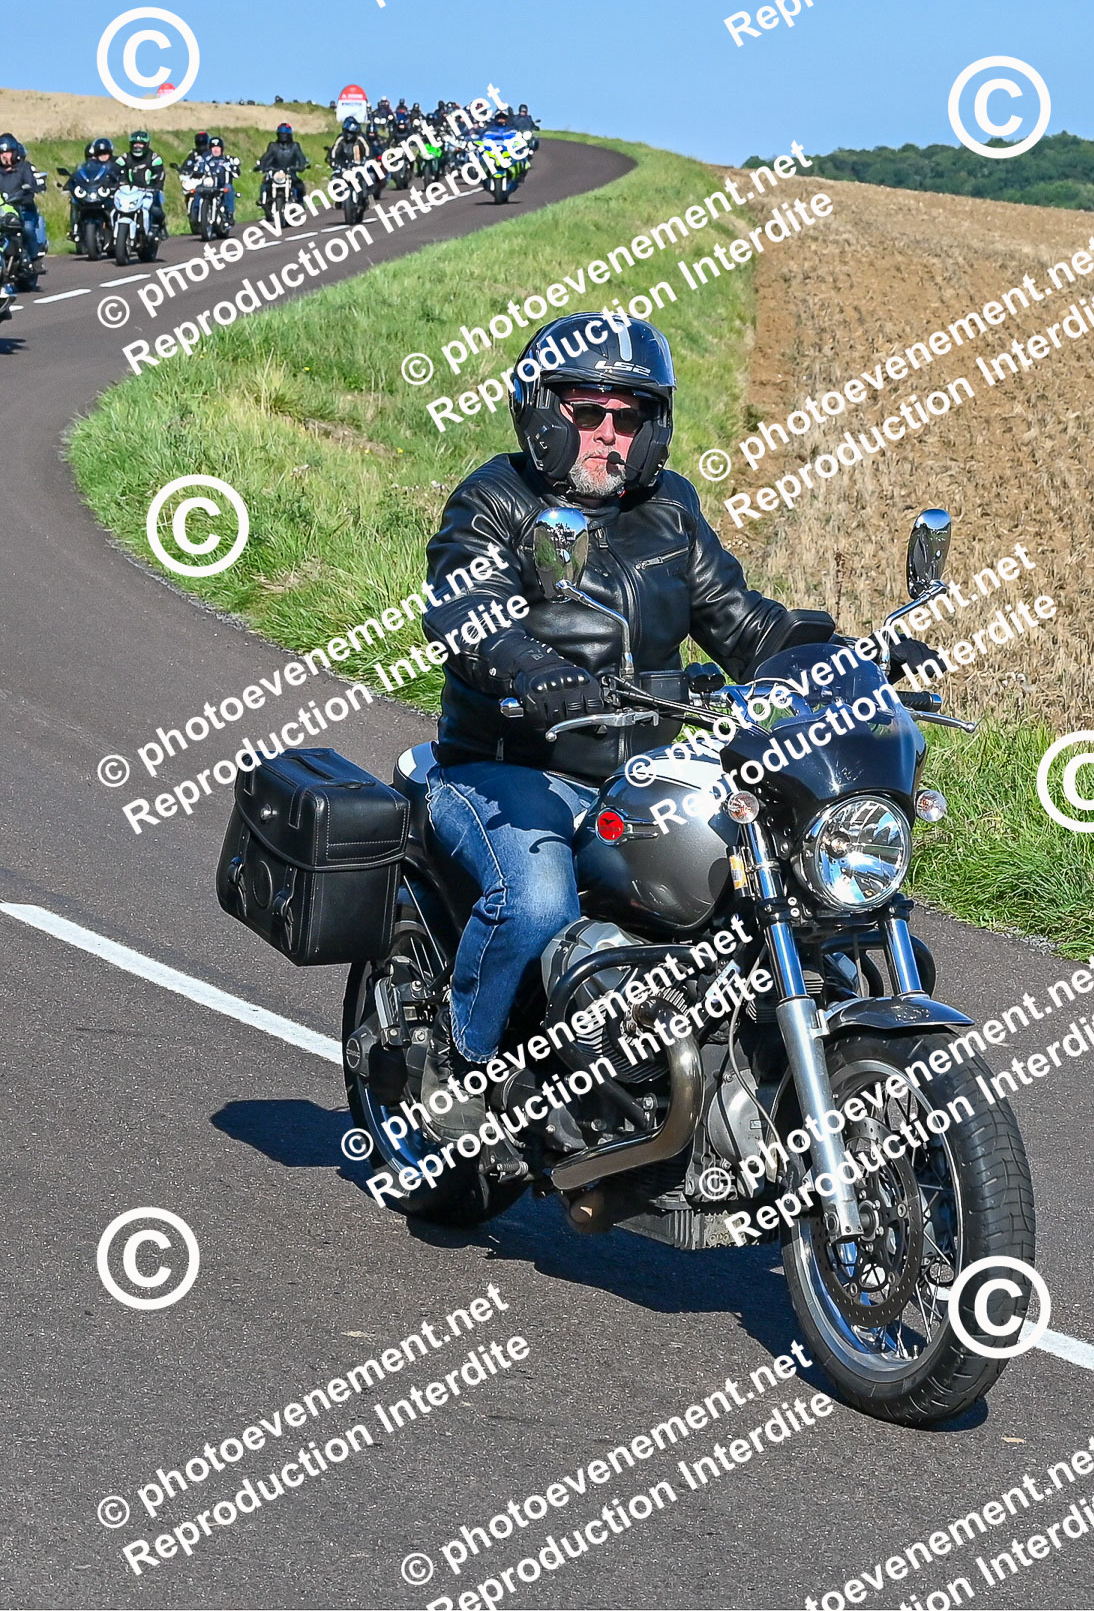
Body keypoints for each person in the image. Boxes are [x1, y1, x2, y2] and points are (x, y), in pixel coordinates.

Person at [414, 315, 938, 1131]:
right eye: (589, 413)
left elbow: (742, 624)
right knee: (538, 902)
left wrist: (853, 657)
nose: (609, 434)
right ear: (544, 413)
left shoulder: (670, 508)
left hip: (646, 775)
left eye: (628, 418)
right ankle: (467, 1071)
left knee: (779, 890)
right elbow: (464, 609)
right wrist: (528, 669)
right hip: (508, 769)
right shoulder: (494, 501)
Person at [0, 133, 47, 265]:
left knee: (27, 228)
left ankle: (34, 259)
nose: (4, 156)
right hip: (3, 211)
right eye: (1, 153)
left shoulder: (24, 167)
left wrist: (27, 191)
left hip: (23, 208)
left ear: (14, 153)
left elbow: (32, 184)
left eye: (7, 152)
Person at [63, 137, 119, 246]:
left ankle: (119, 231)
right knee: (74, 201)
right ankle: (75, 229)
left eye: (105, 153)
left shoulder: (116, 164)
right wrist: (69, 185)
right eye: (100, 154)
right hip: (92, 195)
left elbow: (123, 174)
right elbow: (79, 176)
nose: (102, 156)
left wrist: (121, 183)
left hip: (109, 195)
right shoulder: (88, 167)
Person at [115, 129, 168, 241]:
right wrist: (112, 182)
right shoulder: (125, 157)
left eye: (140, 144)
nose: (137, 147)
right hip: (128, 192)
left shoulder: (154, 158)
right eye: (135, 144)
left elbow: (160, 174)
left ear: (146, 145)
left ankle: (161, 227)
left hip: (148, 191)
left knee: (156, 210)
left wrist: (156, 186)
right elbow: (114, 171)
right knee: (113, 207)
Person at [254, 121, 309, 210]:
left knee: (300, 186)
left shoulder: (295, 146)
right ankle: (264, 200)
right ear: (277, 134)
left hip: (290, 172)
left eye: (285, 134)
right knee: (265, 184)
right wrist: (261, 166)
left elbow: (300, 157)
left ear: (289, 135)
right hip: (276, 173)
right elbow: (266, 157)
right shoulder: (273, 146)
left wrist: (301, 166)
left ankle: (300, 202)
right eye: (281, 134)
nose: (283, 136)